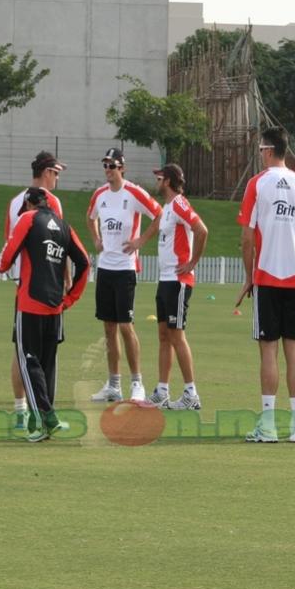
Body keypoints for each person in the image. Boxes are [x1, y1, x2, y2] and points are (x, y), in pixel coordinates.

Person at [236, 127, 295, 443]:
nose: (259, 154)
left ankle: (268, 425)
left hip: (267, 278)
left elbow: (246, 237)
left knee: (268, 351)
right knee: (293, 351)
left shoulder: (257, 184)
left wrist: (248, 277)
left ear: (268, 150)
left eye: (260, 149)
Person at [0, 187, 89, 441]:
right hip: (55, 307)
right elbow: (85, 263)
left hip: (29, 303)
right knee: (47, 365)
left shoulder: (27, 219)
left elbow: (7, 256)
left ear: (29, 203)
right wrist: (70, 298)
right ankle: (41, 426)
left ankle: (45, 416)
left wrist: (1, 265)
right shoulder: (64, 226)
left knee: (29, 361)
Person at [125, 163, 208, 410]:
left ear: (169, 181)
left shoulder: (180, 204)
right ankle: (162, 391)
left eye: (160, 177)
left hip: (179, 281)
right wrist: (140, 241)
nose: (157, 181)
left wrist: (192, 262)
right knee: (164, 335)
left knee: (176, 335)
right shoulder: (168, 208)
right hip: (166, 280)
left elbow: (202, 230)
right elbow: (157, 224)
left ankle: (191, 394)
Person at [86, 147, 161, 403]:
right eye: (105, 165)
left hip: (125, 269)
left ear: (122, 168)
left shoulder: (134, 192)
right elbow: (90, 218)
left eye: (113, 165)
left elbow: (159, 215)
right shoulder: (100, 195)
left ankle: (137, 382)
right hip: (105, 268)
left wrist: (140, 241)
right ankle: (113, 384)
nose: (108, 170)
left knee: (126, 327)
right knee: (108, 328)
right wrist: (96, 239)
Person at [3, 150, 66, 429]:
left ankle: (21, 410)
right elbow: (59, 245)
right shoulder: (51, 202)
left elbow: (10, 243)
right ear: (47, 172)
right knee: (46, 354)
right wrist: (64, 281)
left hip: (22, 286)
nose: (57, 179)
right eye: (56, 173)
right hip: (47, 288)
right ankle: (43, 411)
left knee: (22, 350)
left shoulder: (15, 202)